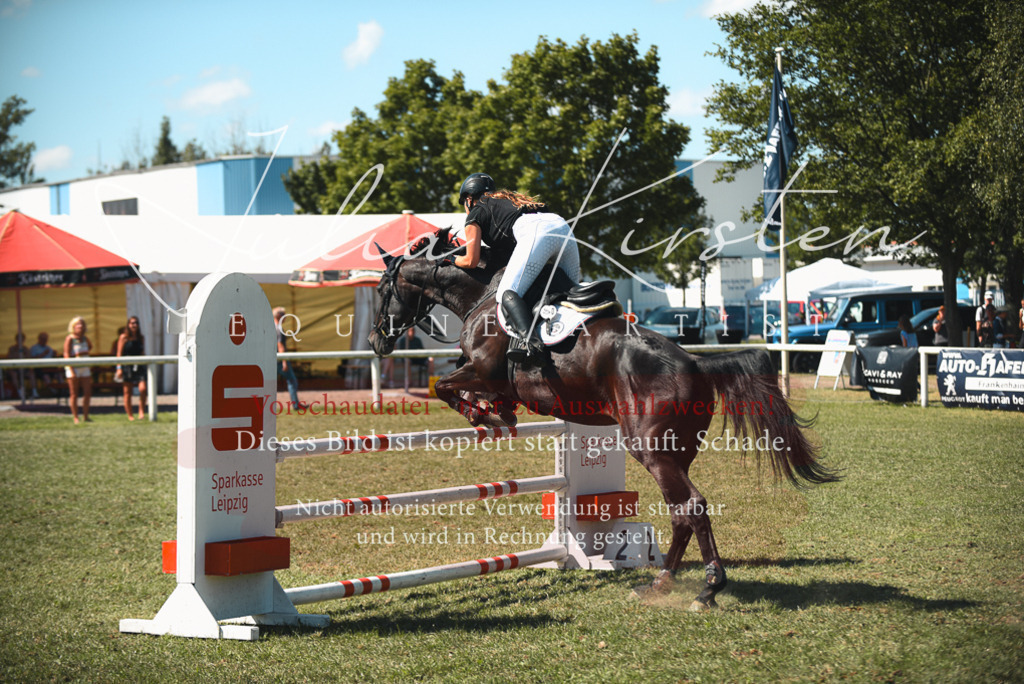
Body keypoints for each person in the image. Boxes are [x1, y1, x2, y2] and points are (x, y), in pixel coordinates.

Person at [453, 173, 581, 366]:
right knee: (573, 292)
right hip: (562, 226)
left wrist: (452, 259)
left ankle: (530, 345)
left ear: (469, 199)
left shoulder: (476, 211)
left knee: (506, 293)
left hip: (537, 233)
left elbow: (471, 260)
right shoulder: (510, 202)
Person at [116, 316, 147, 421]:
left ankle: (141, 411)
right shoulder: (123, 337)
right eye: (132, 323)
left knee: (143, 389)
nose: (135, 325)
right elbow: (119, 354)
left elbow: (142, 352)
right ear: (128, 324)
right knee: (127, 392)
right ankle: (130, 415)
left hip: (139, 365)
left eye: (136, 323)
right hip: (127, 366)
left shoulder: (141, 338)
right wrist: (119, 368)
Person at [63, 316, 93, 424]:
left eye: (82, 324)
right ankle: (75, 417)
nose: (81, 326)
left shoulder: (86, 338)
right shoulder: (69, 338)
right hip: (73, 368)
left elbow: (90, 347)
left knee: (87, 393)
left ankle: (86, 416)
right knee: (74, 394)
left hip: (85, 368)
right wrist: (71, 369)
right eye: (78, 324)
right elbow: (66, 354)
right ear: (73, 326)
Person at [273, 307, 304, 409]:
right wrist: (284, 362)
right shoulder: (279, 328)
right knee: (292, 380)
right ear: (279, 316)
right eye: (283, 314)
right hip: (280, 360)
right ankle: (296, 404)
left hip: (273, 359)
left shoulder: (271, 327)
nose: (285, 317)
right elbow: (280, 346)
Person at [5, 332, 30, 399]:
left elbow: (29, 359)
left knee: (31, 373)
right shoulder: (12, 348)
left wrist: (24, 353)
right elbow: (9, 359)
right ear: (16, 339)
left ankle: (34, 392)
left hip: (23, 369)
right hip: (13, 369)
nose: (20, 341)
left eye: (22, 339)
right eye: (19, 339)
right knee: (14, 374)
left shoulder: (25, 349)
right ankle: (19, 392)